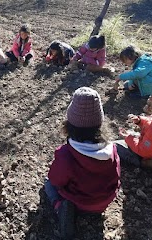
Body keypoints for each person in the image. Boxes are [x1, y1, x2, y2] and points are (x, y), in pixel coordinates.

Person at [45, 87, 120, 239]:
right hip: (105, 201)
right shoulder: (111, 149)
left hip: (80, 203)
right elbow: (116, 174)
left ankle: (60, 208)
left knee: (48, 184)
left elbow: (56, 180)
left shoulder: (65, 154)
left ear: (69, 124)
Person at [116, 91, 152, 172]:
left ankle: (145, 162)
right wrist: (139, 121)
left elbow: (142, 151)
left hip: (148, 154)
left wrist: (127, 137)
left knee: (114, 146)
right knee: (134, 135)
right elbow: (150, 122)